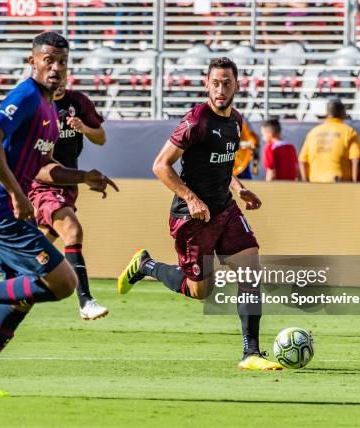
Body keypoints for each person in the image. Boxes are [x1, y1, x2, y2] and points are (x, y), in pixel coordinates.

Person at [0, 32, 117, 397]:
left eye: (62, 62)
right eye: (48, 60)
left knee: (22, 297)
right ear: (33, 61)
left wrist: (83, 176)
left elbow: (42, 167)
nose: (56, 68)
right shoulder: (26, 96)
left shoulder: (49, 111)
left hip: (9, 210)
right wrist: (15, 193)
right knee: (63, 282)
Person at [117, 57, 283, 371]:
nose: (221, 89)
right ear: (206, 84)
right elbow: (160, 165)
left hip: (225, 208)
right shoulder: (196, 121)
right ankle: (146, 265)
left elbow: (221, 164)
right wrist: (191, 198)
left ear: (237, 85)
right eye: (215, 83)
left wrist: (238, 188)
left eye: (227, 83)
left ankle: (251, 353)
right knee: (199, 291)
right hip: (193, 218)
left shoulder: (235, 120)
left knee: (250, 271)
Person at [28, 82, 109, 320]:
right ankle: (85, 300)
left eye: (63, 71)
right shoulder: (35, 104)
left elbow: (101, 138)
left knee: (44, 239)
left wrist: (83, 127)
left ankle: (3, 256)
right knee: (72, 232)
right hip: (43, 180)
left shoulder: (78, 103)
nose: (59, 79)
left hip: (69, 181)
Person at [298, 98, 360, 183]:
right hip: (339, 184)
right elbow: (355, 159)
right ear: (343, 113)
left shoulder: (313, 133)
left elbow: (302, 161)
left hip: (314, 185)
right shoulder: (349, 132)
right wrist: (355, 184)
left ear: (327, 114)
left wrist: (305, 183)